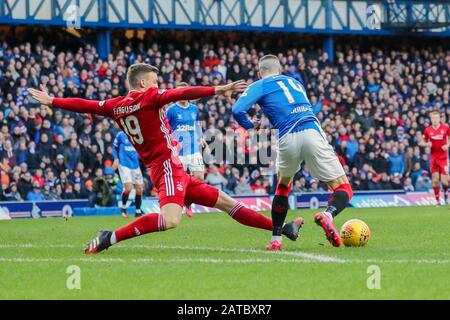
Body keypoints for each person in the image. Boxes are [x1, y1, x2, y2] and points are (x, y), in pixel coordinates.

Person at [28, 63, 302, 254]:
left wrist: (53, 101)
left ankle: (282, 228)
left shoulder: (115, 105)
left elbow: (85, 105)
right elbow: (181, 93)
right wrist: (217, 89)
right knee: (170, 220)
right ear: (144, 83)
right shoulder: (150, 97)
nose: (159, 85)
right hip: (166, 167)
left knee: (227, 202)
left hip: (172, 168)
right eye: (155, 81)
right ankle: (108, 237)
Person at [232, 54, 353, 250]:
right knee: (343, 188)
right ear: (279, 70)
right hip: (311, 131)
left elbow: (237, 110)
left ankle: (276, 240)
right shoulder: (295, 82)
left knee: (283, 187)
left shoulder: (260, 84)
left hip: (286, 137)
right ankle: (328, 214)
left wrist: (249, 127)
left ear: (259, 73)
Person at [166, 82, 206, 181]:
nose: (183, 94)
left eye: (185, 92)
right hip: (178, 151)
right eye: (180, 92)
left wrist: (200, 137)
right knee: (180, 180)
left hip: (194, 149)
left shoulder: (194, 109)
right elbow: (165, 128)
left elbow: (197, 124)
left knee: (200, 177)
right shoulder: (171, 110)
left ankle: (194, 196)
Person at [112, 129, 144, 218]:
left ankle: (138, 211)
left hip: (135, 165)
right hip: (124, 164)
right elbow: (114, 147)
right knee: (129, 187)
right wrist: (116, 158)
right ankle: (123, 208)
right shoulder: (121, 135)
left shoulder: (139, 135)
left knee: (140, 189)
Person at [420, 111, 450, 206]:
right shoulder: (427, 130)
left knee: (445, 182)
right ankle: (437, 201)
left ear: (439, 119)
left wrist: (448, 145)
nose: (435, 120)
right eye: (433, 118)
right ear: (431, 119)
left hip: (444, 158)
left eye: (437, 118)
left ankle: (445, 193)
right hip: (433, 158)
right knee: (435, 180)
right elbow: (421, 142)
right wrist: (427, 144)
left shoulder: (446, 128)